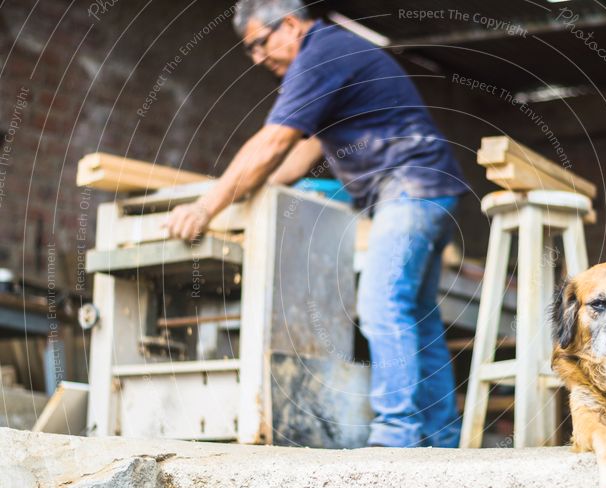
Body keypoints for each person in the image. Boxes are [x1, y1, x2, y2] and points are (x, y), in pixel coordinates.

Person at [165, 0, 468, 447]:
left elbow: (272, 142)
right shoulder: (332, 57)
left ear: (289, 24)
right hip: (432, 187)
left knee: (383, 303)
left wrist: (205, 208)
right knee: (418, 317)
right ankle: (442, 439)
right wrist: (251, 190)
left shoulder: (320, 54)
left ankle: (395, 437)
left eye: (259, 44)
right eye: (249, 51)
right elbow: (302, 151)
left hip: (410, 187)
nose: (257, 58)